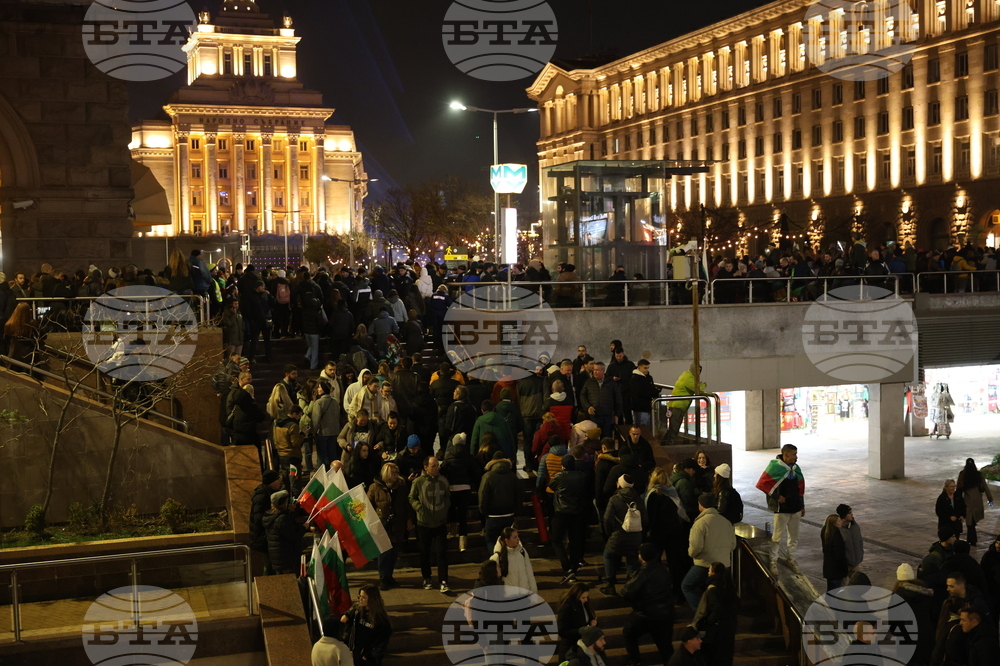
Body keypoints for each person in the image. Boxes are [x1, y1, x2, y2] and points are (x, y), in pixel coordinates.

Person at [621, 542, 675, 666]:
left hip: (647, 615)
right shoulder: (663, 569)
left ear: (642, 556)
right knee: (665, 646)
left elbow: (626, 592)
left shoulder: (643, 573)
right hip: (666, 614)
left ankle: (635, 661)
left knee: (629, 632)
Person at [755, 444, 805, 575]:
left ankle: (791, 559)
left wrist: (802, 506)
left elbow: (800, 488)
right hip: (781, 509)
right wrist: (777, 497)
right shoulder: (775, 467)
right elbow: (763, 484)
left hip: (796, 508)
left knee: (793, 537)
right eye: (794, 454)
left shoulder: (795, 468)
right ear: (786, 455)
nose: (796, 457)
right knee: (777, 537)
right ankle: (773, 561)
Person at [683, 493, 736, 610]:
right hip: (724, 565)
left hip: (705, 564)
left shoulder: (700, 523)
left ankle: (701, 612)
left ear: (700, 505)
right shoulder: (726, 522)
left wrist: (691, 555)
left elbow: (696, 547)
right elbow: (733, 544)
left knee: (687, 586)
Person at [367, 463, 412, 590]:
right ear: (386, 474)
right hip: (382, 525)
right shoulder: (375, 487)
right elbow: (368, 505)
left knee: (394, 552)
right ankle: (383, 578)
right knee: (384, 553)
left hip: (398, 524)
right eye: (393, 473)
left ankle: (389, 576)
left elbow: (406, 504)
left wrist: (409, 519)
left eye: (396, 472)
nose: (396, 475)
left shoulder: (401, 487)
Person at [408, 456, 450, 592]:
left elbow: (447, 497)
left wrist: (444, 509)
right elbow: (412, 497)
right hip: (424, 523)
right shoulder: (419, 482)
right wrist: (419, 508)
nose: (437, 468)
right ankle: (427, 578)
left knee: (441, 552)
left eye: (437, 465)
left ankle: (443, 580)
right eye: (433, 466)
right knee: (425, 552)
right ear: (426, 467)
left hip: (439, 522)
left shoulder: (443, 481)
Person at [600, 474, 646, 597]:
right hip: (635, 536)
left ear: (620, 484)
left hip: (618, 534)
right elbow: (645, 518)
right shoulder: (638, 499)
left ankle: (610, 584)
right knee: (632, 558)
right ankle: (632, 586)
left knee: (608, 555)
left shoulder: (614, 499)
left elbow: (607, 518)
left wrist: (609, 532)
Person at [549, 454, 589, 582]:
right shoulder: (582, 476)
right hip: (577, 512)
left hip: (561, 512)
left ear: (563, 465)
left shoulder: (559, 477)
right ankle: (574, 566)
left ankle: (567, 569)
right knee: (575, 540)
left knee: (556, 540)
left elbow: (550, 487)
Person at [690, 562, 739, 666]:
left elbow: (716, 609)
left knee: (714, 657)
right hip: (729, 626)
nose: (708, 572)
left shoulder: (712, 588)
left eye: (709, 570)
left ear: (713, 572)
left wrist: (708, 622)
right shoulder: (729, 586)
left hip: (717, 630)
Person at [440, 433, 479, 552]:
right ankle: (463, 542)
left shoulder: (449, 455)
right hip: (465, 488)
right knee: (463, 516)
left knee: (451, 510)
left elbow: (442, 470)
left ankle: (452, 533)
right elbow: (475, 472)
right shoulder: (468, 455)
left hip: (452, 488)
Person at [893, 563, 935, 665]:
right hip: (926, 634)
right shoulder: (925, 591)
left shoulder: (897, 596)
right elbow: (933, 612)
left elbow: (893, 622)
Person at [340, 585, 392, 665]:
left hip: (366, 659)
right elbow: (345, 620)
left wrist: (369, 656)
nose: (360, 599)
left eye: (363, 597)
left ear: (371, 599)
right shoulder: (357, 609)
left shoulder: (380, 619)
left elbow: (381, 642)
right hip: (352, 653)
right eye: (359, 596)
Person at [478, 451, 519, 553]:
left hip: (492, 515)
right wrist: (517, 512)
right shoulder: (512, 476)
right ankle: (507, 563)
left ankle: (497, 561)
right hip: (509, 514)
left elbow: (483, 495)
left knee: (491, 540)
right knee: (508, 542)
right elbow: (519, 495)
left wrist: (483, 511)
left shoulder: (488, 476)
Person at [664, 362, 708, 445]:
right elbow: (696, 389)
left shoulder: (685, 374)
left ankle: (664, 444)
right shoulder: (689, 378)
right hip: (678, 406)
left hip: (674, 405)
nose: (698, 372)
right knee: (674, 428)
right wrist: (703, 385)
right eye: (697, 370)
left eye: (699, 370)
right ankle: (669, 445)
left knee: (672, 428)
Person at [262, 490, 305, 575]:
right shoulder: (282, 519)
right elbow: (294, 536)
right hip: (287, 559)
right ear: (283, 503)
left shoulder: (269, 516)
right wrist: (304, 527)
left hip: (277, 560)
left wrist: (290, 513)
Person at [250, 470, 282, 575]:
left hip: (266, 537)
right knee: (269, 565)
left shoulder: (268, 493)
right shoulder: (262, 496)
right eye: (278, 479)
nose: (280, 481)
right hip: (264, 537)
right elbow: (258, 520)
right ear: (272, 482)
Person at [580, 362, 623, 438]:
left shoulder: (611, 382)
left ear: (603, 371)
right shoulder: (589, 382)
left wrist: (617, 414)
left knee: (606, 438)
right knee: (594, 439)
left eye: (597, 370)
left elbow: (618, 398)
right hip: (594, 416)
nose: (595, 372)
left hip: (607, 416)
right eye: (594, 370)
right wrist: (588, 407)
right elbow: (582, 395)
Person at [556, 583, 597, 661]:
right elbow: (562, 631)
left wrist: (593, 624)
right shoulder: (567, 607)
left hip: (583, 646)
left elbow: (589, 619)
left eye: (587, 597)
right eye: (583, 597)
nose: (586, 600)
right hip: (570, 648)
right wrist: (582, 630)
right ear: (576, 596)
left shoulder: (584, 605)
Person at [958, 457, 994, 546]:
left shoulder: (963, 474)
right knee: (972, 522)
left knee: (970, 522)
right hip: (977, 500)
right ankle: (972, 540)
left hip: (968, 501)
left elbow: (959, 488)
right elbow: (985, 487)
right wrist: (990, 499)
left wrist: (956, 499)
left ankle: (971, 540)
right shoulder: (979, 475)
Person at [490, 527, 537, 593]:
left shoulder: (522, 552)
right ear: (507, 540)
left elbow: (529, 573)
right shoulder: (497, 557)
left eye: (517, 536)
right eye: (515, 537)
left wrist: (533, 592)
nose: (518, 539)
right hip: (508, 598)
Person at [306, 382, 342, 469]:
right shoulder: (335, 402)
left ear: (323, 389)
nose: (318, 389)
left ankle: (322, 477)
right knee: (333, 455)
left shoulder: (318, 402)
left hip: (322, 433)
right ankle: (334, 474)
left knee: (321, 457)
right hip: (334, 432)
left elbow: (316, 419)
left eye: (319, 387)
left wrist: (313, 432)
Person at [821, 513, 849, 591]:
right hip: (837, 571)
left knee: (830, 592)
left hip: (828, 569)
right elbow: (839, 555)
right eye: (839, 521)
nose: (841, 522)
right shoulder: (836, 535)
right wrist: (845, 570)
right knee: (836, 593)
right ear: (834, 523)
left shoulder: (825, 531)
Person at [629, 359, 658, 427]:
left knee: (647, 426)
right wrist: (652, 393)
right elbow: (640, 393)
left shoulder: (648, 378)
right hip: (640, 407)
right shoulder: (635, 379)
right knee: (642, 426)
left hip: (647, 406)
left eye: (647, 368)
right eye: (645, 368)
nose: (647, 370)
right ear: (639, 367)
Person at [837, 504, 864, 572]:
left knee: (859, 581)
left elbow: (860, 540)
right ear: (844, 515)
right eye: (849, 513)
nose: (852, 515)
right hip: (844, 564)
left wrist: (861, 553)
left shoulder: (854, 526)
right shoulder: (839, 529)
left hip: (855, 563)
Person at [981, 535, 1000, 618]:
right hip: (992, 591)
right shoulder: (989, 555)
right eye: (997, 543)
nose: (998, 546)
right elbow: (983, 571)